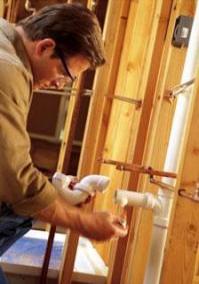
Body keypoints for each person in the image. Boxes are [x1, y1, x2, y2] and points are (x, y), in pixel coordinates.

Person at [0, 2, 127, 263]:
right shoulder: (7, 72)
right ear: (45, 47)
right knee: (22, 208)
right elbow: (16, 183)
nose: (60, 85)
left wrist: (54, 184)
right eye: (65, 74)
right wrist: (86, 223)